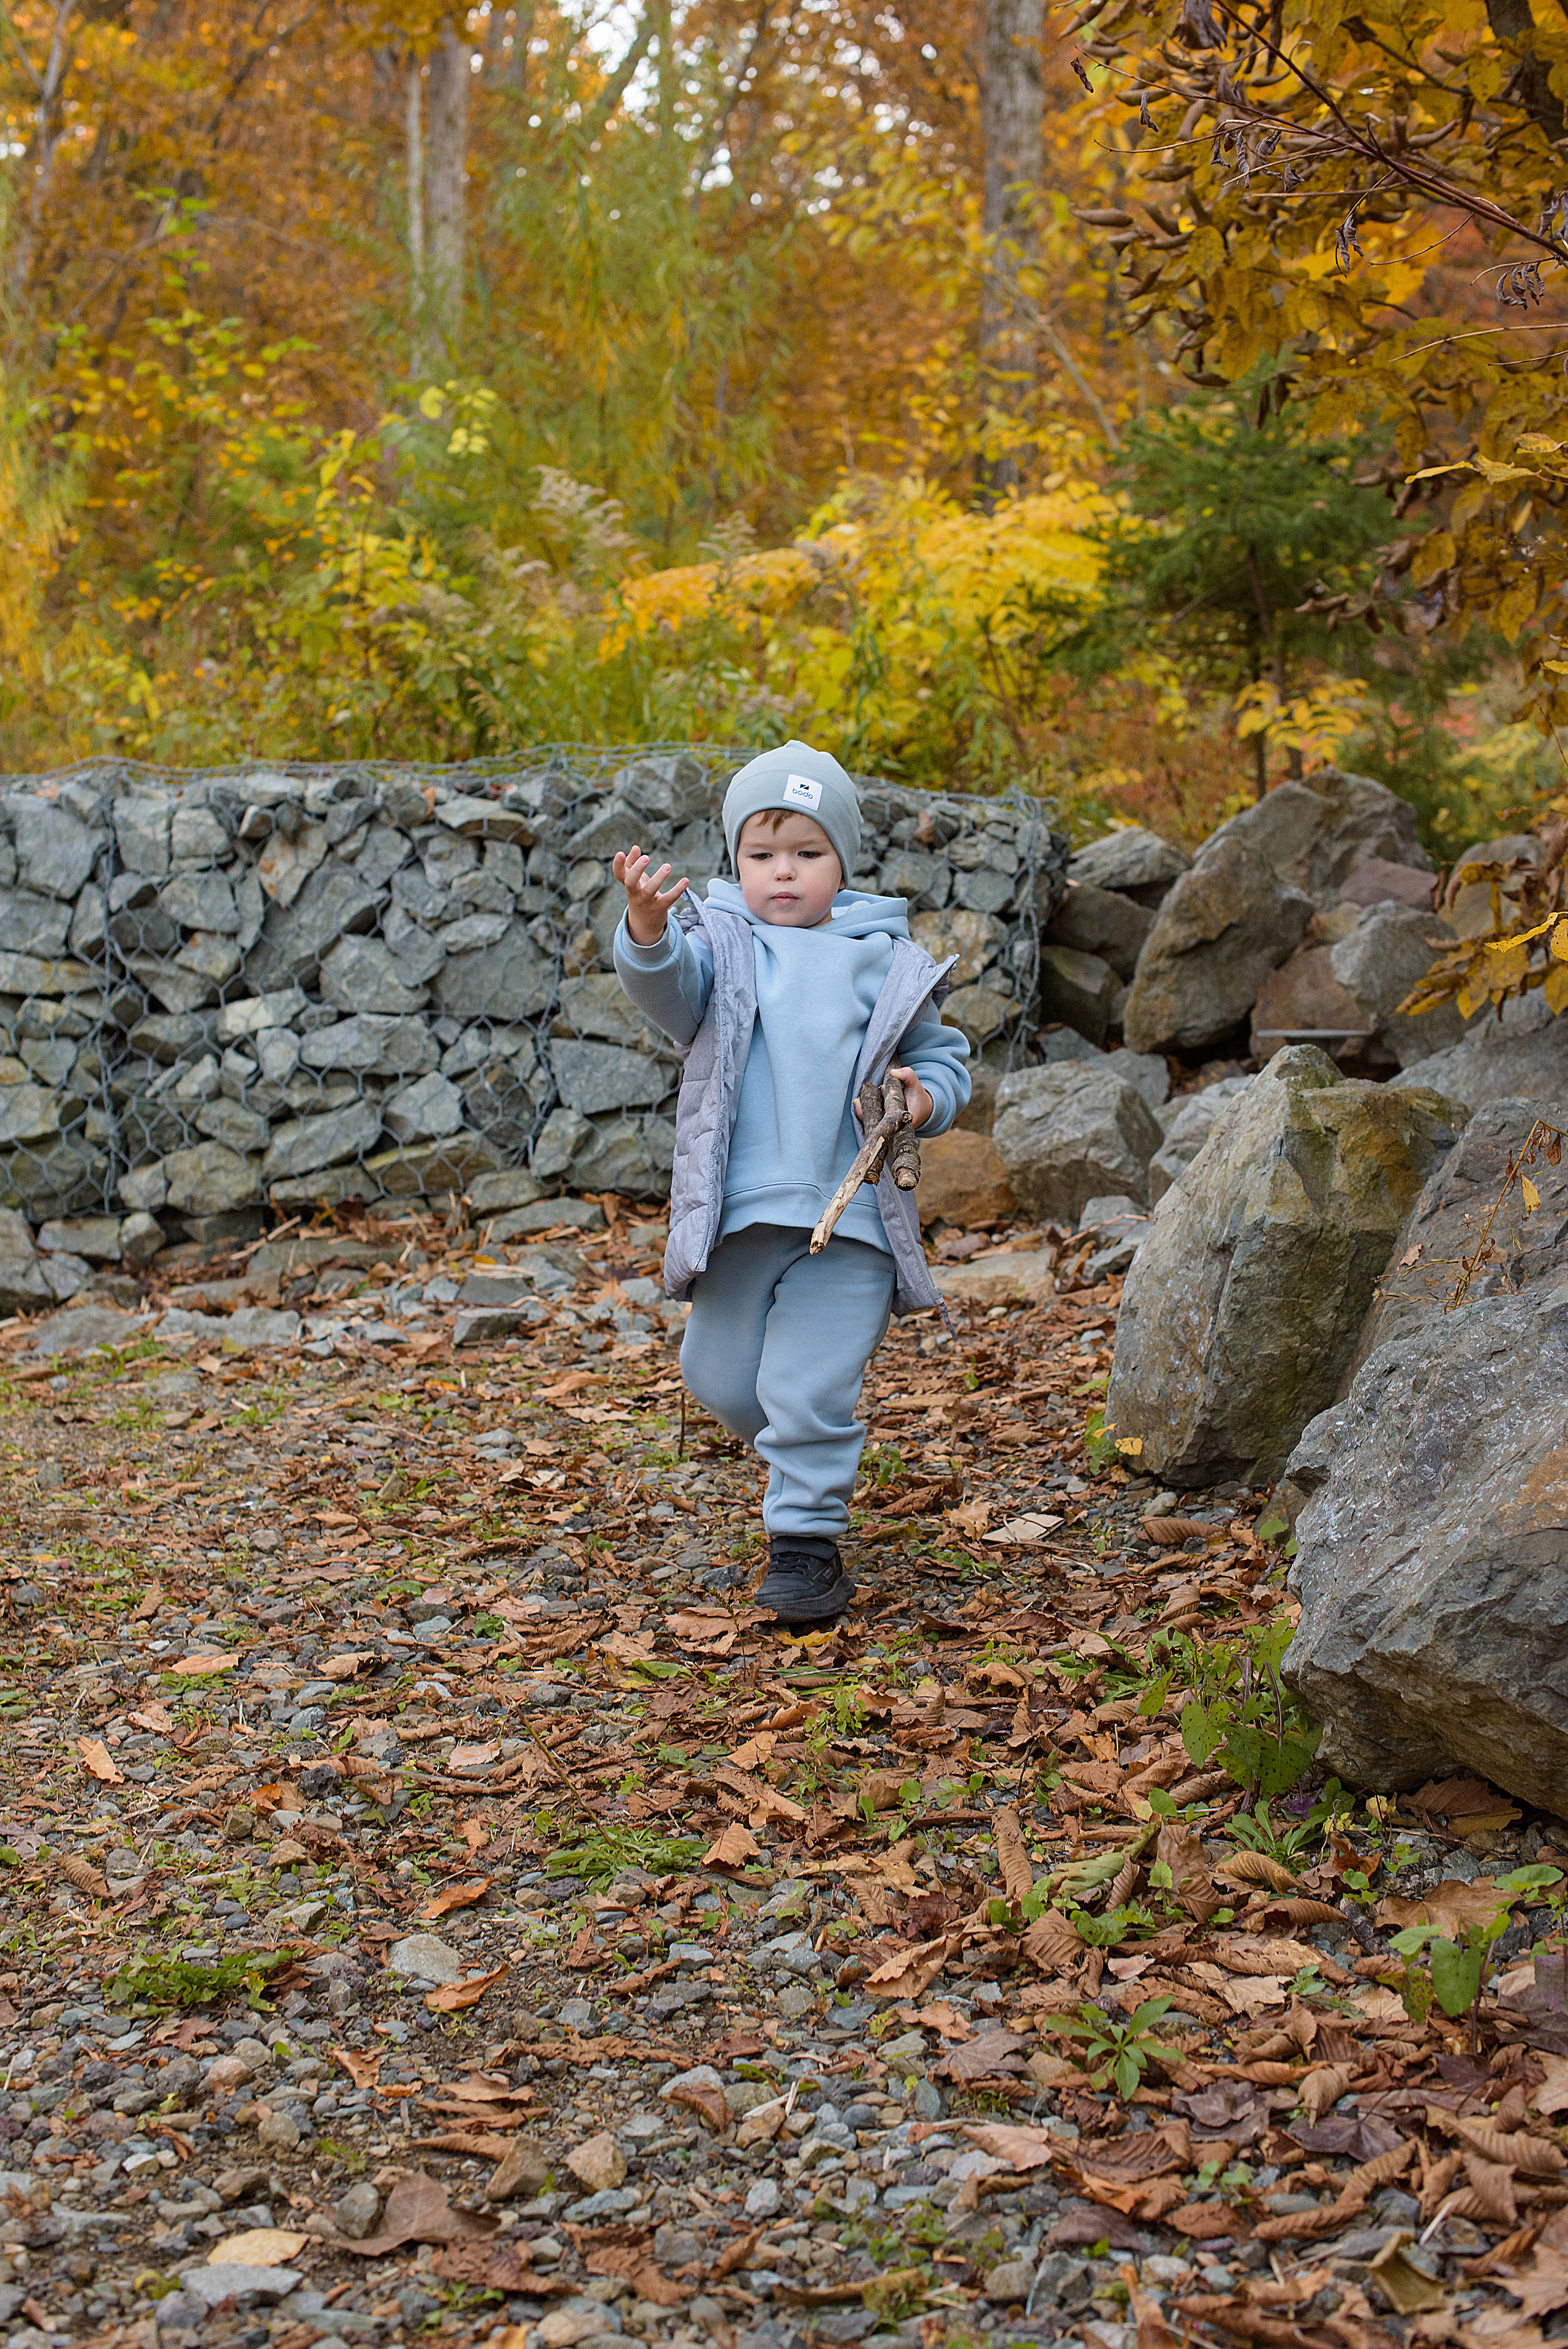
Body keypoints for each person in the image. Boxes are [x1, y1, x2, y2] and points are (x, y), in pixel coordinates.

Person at [611, 740, 970, 1624]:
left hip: (852, 1221)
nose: (783, 875)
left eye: (807, 854)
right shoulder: (720, 946)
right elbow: (671, 996)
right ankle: (802, 1459)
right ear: (735, 860)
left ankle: (805, 1546)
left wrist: (923, 1097)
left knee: (807, 1387)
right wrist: (649, 932)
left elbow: (942, 1061)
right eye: (761, 855)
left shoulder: (883, 959)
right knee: (721, 1376)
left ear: (842, 861)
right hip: (741, 1215)